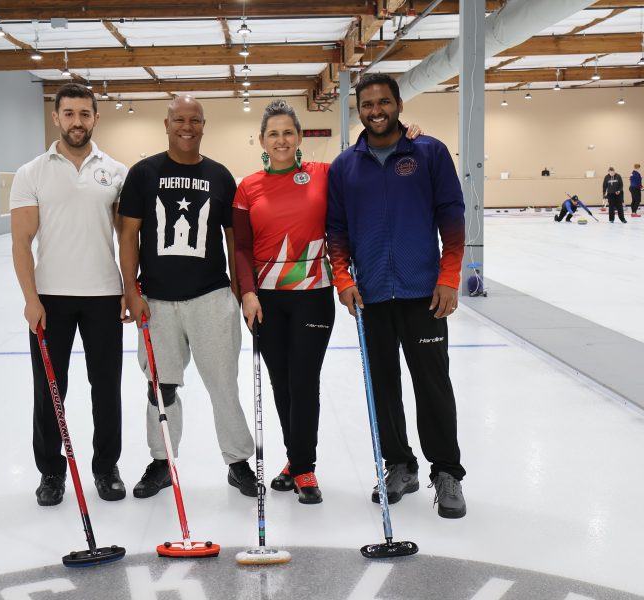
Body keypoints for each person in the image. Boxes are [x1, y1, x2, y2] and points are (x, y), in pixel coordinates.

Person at [326, 72, 467, 519]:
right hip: (372, 297)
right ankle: (399, 465)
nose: (376, 111)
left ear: (399, 105)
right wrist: (343, 280)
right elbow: (337, 232)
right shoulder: (345, 165)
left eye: (383, 102)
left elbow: (453, 218)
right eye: (367, 105)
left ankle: (446, 473)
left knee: (433, 386)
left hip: (424, 294)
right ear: (359, 111)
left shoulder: (429, 153)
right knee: (382, 386)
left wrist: (449, 276)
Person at [118, 95, 257, 499]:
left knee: (223, 386)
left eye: (194, 120)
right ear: (166, 124)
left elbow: (234, 239)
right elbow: (128, 235)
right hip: (157, 302)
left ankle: (237, 461)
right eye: (179, 119)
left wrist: (238, 289)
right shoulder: (143, 174)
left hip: (210, 297)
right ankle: (162, 462)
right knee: (160, 387)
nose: (186, 126)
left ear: (203, 125)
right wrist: (131, 290)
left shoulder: (220, 175)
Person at [10, 83, 130, 507]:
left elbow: (127, 237)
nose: (77, 121)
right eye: (69, 113)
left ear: (96, 118)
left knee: (107, 388)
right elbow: (21, 241)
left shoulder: (115, 172)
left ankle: (106, 468)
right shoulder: (32, 172)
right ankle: (50, 473)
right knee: (49, 390)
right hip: (50, 299)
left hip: (103, 296)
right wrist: (31, 299)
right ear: (56, 117)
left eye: (84, 113)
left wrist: (128, 289)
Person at [232, 100, 334, 504]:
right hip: (266, 302)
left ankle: (304, 468)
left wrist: (410, 135)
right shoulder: (248, 186)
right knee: (281, 384)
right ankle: (296, 458)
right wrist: (247, 293)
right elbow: (240, 247)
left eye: (288, 132)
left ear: (299, 137)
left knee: (304, 381)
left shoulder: (323, 175)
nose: (281, 140)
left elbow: (367, 158)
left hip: (313, 296)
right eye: (273, 133)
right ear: (262, 140)